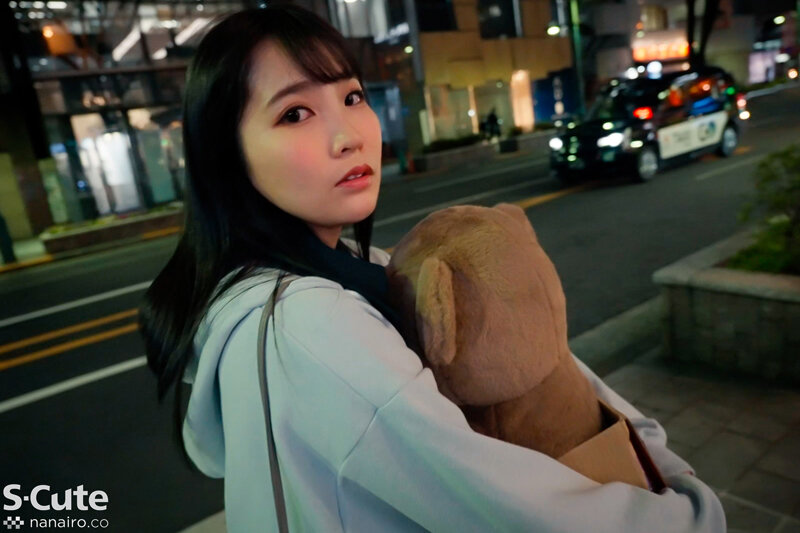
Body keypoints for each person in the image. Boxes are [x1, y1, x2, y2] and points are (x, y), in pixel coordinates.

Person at [139, 5, 725, 532]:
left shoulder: (356, 271)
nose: (348, 135)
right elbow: (508, 507)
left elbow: (554, 369)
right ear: (228, 158)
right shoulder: (307, 324)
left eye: (351, 97)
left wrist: (651, 455)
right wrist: (689, 514)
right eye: (295, 113)